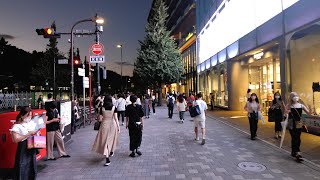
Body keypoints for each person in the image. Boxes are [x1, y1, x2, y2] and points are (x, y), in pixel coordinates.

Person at [10, 107, 38, 180]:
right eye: (27, 115)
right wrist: (28, 134)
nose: (29, 117)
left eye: (31, 115)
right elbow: (15, 140)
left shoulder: (31, 123)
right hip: (23, 148)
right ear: (22, 116)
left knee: (32, 167)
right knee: (22, 166)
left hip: (31, 146)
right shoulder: (16, 126)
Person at [92, 95, 120, 166]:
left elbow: (99, 119)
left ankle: (107, 157)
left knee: (105, 140)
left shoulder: (102, 108)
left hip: (104, 124)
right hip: (112, 124)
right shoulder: (114, 107)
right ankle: (110, 152)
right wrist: (118, 126)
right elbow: (116, 118)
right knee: (111, 139)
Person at [285, 92, 311, 161]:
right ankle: (296, 152)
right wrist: (287, 112)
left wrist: (309, 108)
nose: (295, 97)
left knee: (298, 137)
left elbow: (308, 112)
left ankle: (295, 151)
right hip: (291, 122)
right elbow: (285, 113)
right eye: (293, 96)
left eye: (296, 96)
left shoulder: (301, 105)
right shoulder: (289, 105)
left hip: (299, 122)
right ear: (291, 97)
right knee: (294, 136)